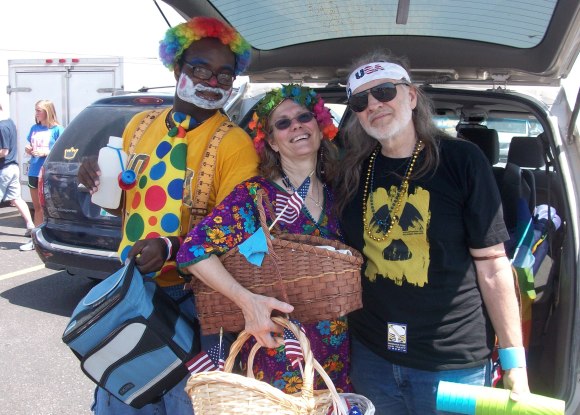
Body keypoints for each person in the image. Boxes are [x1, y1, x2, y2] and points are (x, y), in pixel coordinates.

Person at [77, 16, 259, 415]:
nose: (212, 82)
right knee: (125, 395)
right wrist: (97, 179)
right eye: (200, 69)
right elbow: (124, 206)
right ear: (177, 68)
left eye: (224, 76)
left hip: (194, 299)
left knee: (184, 401)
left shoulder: (235, 145)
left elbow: (242, 236)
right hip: (128, 290)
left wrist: (172, 247)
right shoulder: (139, 127)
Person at [333, 51, 530, 414]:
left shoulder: (462, 160)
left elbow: (492, 267)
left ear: (411, 96)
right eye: (360, 100)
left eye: (385, 91)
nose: (374, 104)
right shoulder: (351, 172)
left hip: (452, 364)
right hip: (372, 356)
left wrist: (515, 363)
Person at [176, 84, 353, 393]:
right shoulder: (254, 196)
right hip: (277, 356)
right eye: (282, 123)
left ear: (320, 126)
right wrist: (248, 302)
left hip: (335, 358)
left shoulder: (337, 193)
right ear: (271, 141)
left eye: (304, 117)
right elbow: (192, 252)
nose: (296, 125)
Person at [19, 99, 64, 251]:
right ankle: (35, 240)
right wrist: (28, 148)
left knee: (51, 207)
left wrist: (46, 152)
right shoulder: (34, 128)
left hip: (49, 173)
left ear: (48, 112)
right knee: (37, 207)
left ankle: (56, 237)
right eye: (36, 110)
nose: (36, 113)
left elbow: (64, 151)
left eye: (39, 110)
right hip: (34, 170)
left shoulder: (57, 129)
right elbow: (29, 144)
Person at [0, 103, 35, 237]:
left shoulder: (2, 126)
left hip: (4, 169)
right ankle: (30, 225)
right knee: (16, 198)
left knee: (15, 198)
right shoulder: (10, 123)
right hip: (13, 167)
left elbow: (4, 151)